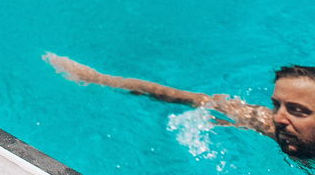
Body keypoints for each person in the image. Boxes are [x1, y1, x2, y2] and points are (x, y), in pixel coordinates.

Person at [44, 55, 315, 158]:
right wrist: (97, 79)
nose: (279, 118)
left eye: (298, 110)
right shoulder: (267, 122)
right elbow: (186, 97)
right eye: (276, 105)